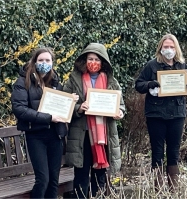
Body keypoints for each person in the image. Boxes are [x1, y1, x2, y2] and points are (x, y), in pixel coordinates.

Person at [62, 43, 125, 198]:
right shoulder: (73, 80)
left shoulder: (112, 81)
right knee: (81, 176)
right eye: (90, 58)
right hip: (82, 136)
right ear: (84, 60)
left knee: (100, 176)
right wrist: (78, 107)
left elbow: (121, 105)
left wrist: (120, 113)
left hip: (103, 138)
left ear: (103, 61)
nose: (93, 62)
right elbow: (64, 104)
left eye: (97, 59)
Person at [135, 34, 187, 192]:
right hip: (156, 114)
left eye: (172, 47)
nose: (169, 50)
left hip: (177, 112)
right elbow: (138, 85)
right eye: (166, 47)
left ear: (176, 49)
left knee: (174, 150)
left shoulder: (182, 65)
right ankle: (158, 189)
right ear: (160, 48)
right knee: (157, 150)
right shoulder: (151, 66)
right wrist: (149, 84)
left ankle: (174, 189)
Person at [11, 47, 71, 198]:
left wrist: (71, 101)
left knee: (53, 181)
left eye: (47, 60)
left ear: (52, 63)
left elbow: (62, 106)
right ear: (34, 61)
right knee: (42, 180)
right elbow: (20, 110)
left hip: (55, 135)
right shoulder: (22, 82)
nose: (44, 63)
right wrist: (49, 118)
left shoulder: (55, 82)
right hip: (36, 136)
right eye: (41, 60)